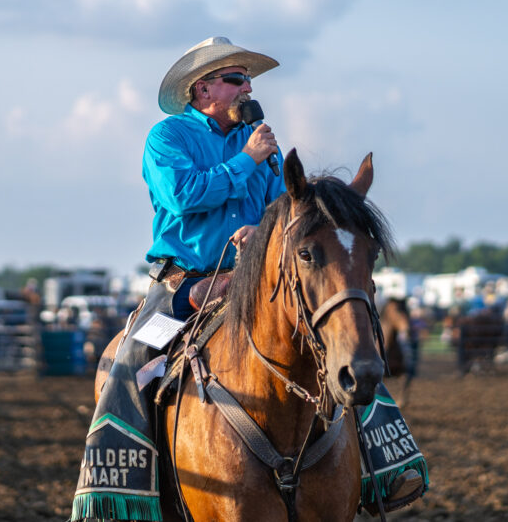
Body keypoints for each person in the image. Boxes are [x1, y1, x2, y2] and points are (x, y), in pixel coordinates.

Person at [72, 37, 421, 521]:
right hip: (182, 284)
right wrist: (247, 160)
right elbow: (181, 196)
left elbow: (286, 211)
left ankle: (384, 464)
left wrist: (265, 229)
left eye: (248, 79)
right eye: (236, 79)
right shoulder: (168, 137)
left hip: (255, 279)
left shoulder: (263, 143)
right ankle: (116, 497)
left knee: (337, 342)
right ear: (202, 90)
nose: (247, 88)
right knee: (130, 360)